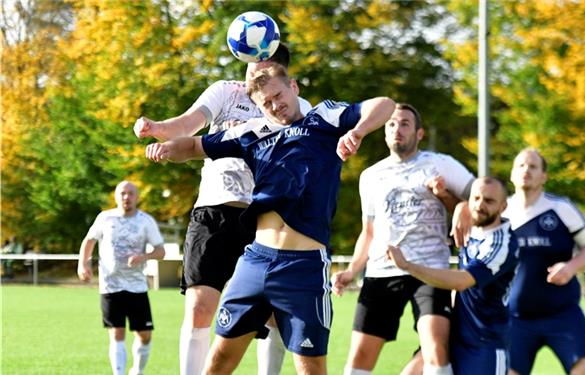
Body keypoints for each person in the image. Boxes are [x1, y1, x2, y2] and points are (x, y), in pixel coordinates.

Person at [145, 64, 395, 374]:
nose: (275, 105)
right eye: (266, 103)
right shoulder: (251, 132)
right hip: (256, 262)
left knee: (310, 368)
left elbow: (384, 104)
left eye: (278, 95)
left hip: (303, 266)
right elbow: (196, 146)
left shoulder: (325, 118)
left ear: (294, 87)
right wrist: (167, 148)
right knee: (220, 360)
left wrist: (356, 131)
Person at [134, 44, 311, 375]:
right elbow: (188, 124)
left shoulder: (293, 105)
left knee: (272, 312)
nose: (251, 75)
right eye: (248, 66)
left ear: (282, 75)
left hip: (265, 220)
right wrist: (157, 128)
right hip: (214, 212)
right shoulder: (225, 92)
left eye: (261, 69)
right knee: (200, 307)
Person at [330, 103, 475, 375]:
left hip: (430, 269)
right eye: (392, 124)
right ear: (384, 133)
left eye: (405, 124)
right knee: (359, 356)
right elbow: (369, 231)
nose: (398, 129)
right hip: (382, 271)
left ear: (419, 133)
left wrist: (457, 203)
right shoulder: (370, 176)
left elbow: (477, 197)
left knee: (435, 346)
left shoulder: (439, 164)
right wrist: (351, 271)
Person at [388, 176, 519, 374]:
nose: (480, 205)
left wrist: (408, 265)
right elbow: (464, 207)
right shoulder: (473, 226)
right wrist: (447, 197)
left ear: (503, 207)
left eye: (489, 201)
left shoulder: (501, 243)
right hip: (453, 334)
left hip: (484, 344)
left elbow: (462, 281)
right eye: (476, 198)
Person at [504, 148, 585, 375]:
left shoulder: (560, 208)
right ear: (511, 174)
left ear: (544, 176)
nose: (526, 170)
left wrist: (571, 267)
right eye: (521, 165)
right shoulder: (500, 212)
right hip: (515, 318)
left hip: (563, 314)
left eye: (533, 166)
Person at [77, 181, 165, 375]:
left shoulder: (146, 221)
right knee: (117, 333)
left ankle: (137, 371)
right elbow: (89, 241)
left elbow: (160, 251)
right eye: (123, 193)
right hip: (110, 285)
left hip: (137, 287)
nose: (127, 197)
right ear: (116, 197)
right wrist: (83, 264)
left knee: (145, 335)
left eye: (131, 193)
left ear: (137, 197)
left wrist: (144, 257)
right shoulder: (105, 218)